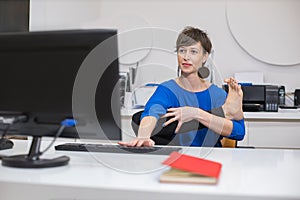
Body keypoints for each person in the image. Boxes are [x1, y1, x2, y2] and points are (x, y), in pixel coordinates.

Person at [118, 26, 245, 147]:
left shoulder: (217, 94)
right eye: (182, 51)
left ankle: (222, 111)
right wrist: (143, 136)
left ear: (205, 56)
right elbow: (151, 113)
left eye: (193, 52)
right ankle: (224, 111)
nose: (186, 57)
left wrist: (196, 113)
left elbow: (239, 132)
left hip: (211, 157)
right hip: (177, 158)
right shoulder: (167, 90)